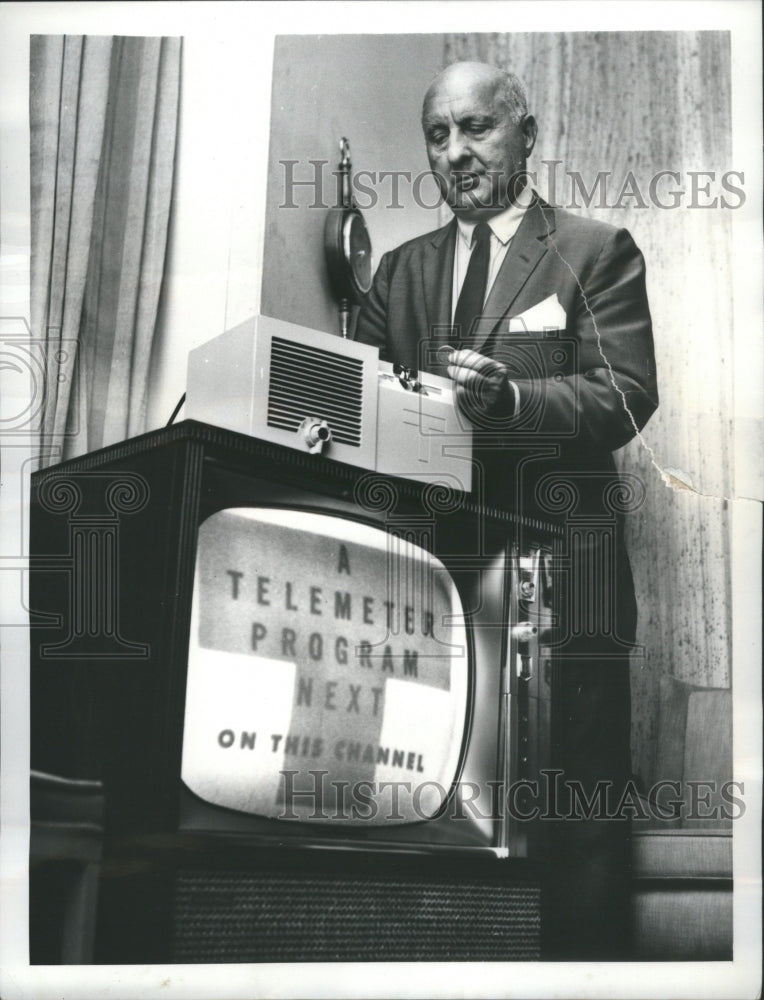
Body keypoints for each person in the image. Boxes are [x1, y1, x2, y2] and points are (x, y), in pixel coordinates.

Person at [355, 61, 658, 959]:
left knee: (579, 803)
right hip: (437, 587)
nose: (458, 152)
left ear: (527, 134)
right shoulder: (400, 275)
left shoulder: (597, 249)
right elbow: (368, 404)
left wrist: (517, 404)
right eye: (440, 136)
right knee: (442, 798)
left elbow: (628, 394)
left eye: (478, 128)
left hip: (571, 580)